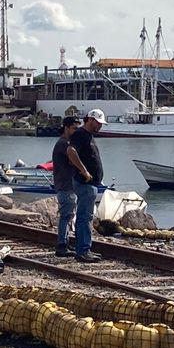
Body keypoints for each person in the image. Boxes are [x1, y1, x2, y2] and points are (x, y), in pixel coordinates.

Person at [64, 108, 105, 262]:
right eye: (98, 122)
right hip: (85, 183)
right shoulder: (81, 135)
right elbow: (71, 151)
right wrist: (84, 171)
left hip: (90, 183)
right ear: (90, 120)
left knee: (85, 217)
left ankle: (84, 248)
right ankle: (83, 250)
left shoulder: (88, 136)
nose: (100, 126)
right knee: (84, 217)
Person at [50, 115, 82, 257]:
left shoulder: (64, 143)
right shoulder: (64, 144)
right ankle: (62, 245)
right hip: (65, 185)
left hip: (66, 184)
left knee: (68, 215)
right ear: (66, 128)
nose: (76, 131)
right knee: (66, 216)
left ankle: (65, 242)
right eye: (74, 128)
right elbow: (72, 161)